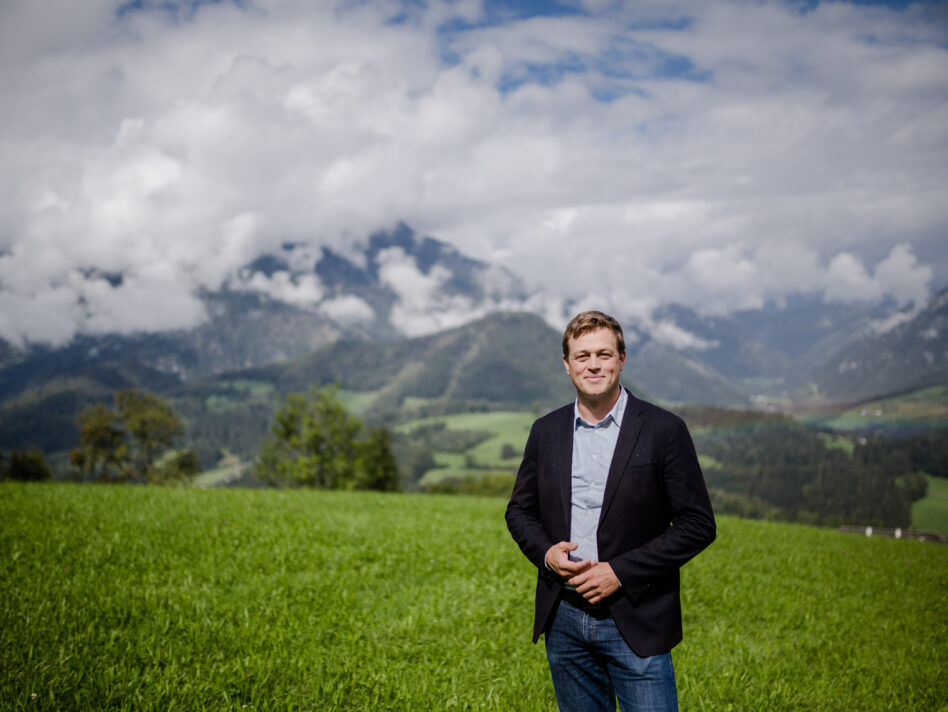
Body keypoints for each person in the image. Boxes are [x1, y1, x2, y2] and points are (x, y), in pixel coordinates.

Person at [506, 310, 716, 712]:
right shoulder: (545, 431)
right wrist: (546, 554)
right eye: (582, 356)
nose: (594, 364)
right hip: (563, 618)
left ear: (622, 359)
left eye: (604, 354)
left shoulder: (663, 430)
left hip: (636, 618)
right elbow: (519, 512)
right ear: (566, 365)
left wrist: (620, 572)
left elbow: (698, 525)